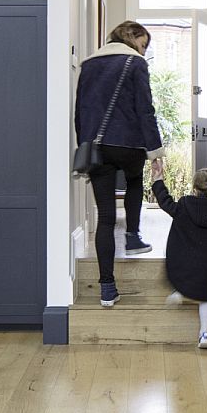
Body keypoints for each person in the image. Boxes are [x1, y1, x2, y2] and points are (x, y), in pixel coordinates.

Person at [74, 20, 165, 307]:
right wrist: (155, 153)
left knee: (104, 218)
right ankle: (133, 235)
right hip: (129, 145)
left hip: (97, 146)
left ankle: (107, 288)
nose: (144, 49)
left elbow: (81, 111)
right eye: (144, 43)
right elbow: (145, 109)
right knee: (135, 180)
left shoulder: (88, 65)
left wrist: (85, 145)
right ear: (133, 37)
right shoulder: (136, 64)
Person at [150, 161, 207, 349]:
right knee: (206, 299)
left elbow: (165, 202)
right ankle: (204, 335)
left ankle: (181, 291)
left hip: (183, 262)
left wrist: (158, 180)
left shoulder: (184, 205)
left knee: (182, 271)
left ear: (194, 188)